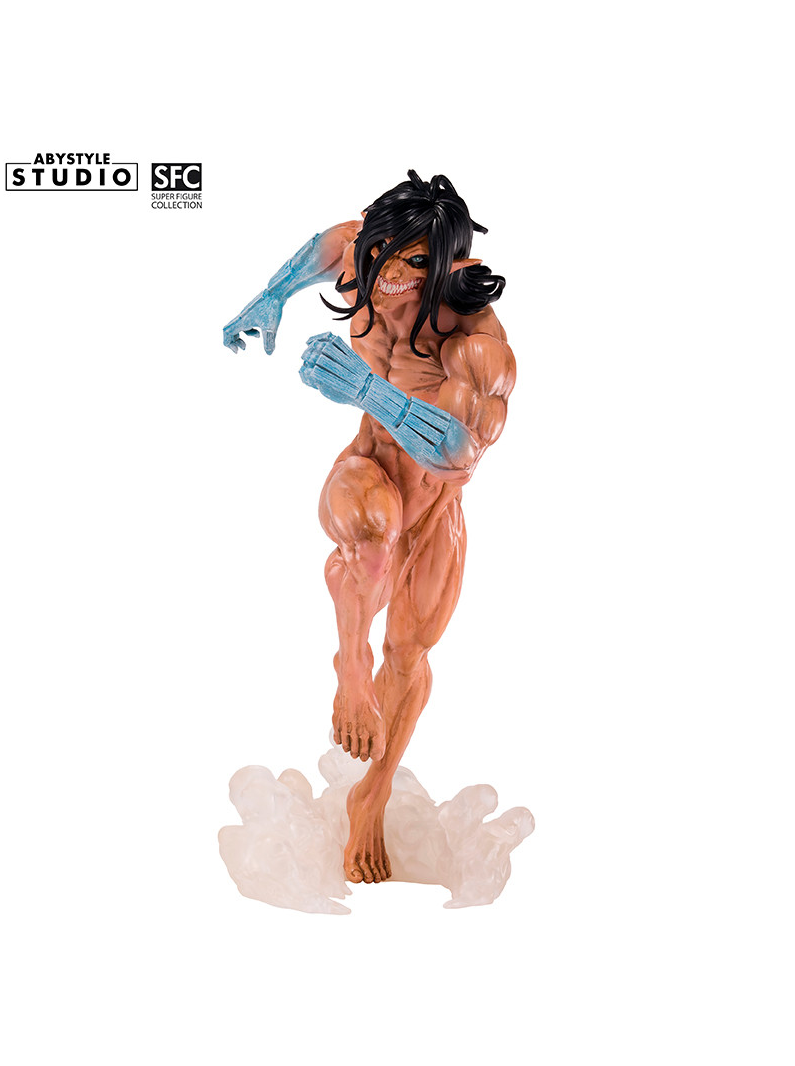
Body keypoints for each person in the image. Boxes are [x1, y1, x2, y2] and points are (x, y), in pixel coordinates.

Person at [223, 171, 516, 884]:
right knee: (370, 531)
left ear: (450, 267)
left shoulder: (476, 344)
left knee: (411, 655)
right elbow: (330, 246)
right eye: (379, 255)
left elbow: (459, 454)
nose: (381, 279)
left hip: (435, 504)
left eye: (408, 266)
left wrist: (364, 389)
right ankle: (350, 668)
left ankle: (372, 795)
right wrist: (271, 296)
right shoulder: (373, 252)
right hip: (368, 471)